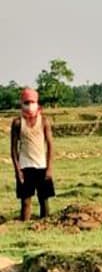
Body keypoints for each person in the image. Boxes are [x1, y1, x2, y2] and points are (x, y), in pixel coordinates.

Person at [10, 88, 54, 221]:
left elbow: (50, 145)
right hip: (25, 166)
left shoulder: (44, 121)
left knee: (44, 200)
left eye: (32, 102)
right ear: (22, 103)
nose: (29, 105)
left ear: (37, 103)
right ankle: (24, 227)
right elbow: (13, 149)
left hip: (41, 166)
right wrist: (17, 170)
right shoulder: (17, 123)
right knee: (25, 202)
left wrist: (49, 168)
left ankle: (43, 226)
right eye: (27, 102)